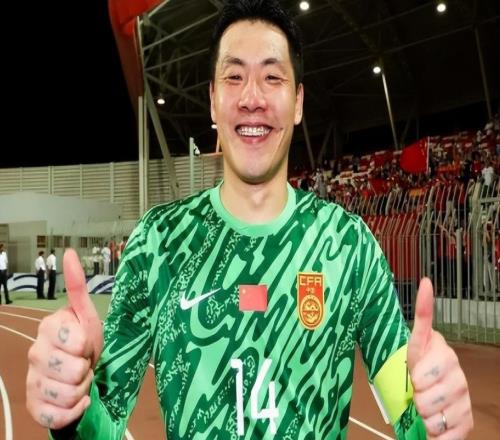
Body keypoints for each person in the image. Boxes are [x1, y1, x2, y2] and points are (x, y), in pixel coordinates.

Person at [26, 1, 473, 439]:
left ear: (297, 102)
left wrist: (436, 419)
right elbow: (100, 428)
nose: (252, 98)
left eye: (272, 77)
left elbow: (410, 420)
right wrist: (72, 410)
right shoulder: (157, 243)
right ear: (213, 100)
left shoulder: (349, 244)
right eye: (234, 76)